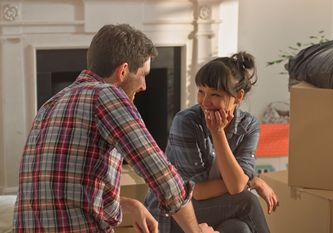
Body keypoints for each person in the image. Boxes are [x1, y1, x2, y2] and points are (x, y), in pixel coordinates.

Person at [12, 24, 218, 233]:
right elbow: (163, 177)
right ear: (123, 71)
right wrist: (196, 231)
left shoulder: (50, 104)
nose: (144, 86)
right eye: (143, 74)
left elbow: (63, 189)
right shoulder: (106, 95)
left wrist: (131, 204)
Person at [144, 52, 278, 233]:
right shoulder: (186, 122)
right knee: (247, 201)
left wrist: (218, 133)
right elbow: (198, 192)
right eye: (201, 92)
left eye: (214, 94)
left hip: (212, 208)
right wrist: (251, 182)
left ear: (238, 96)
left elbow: (236, 185)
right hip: (174, 213)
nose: (205, 102)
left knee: (239, 229)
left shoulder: (249, 126)